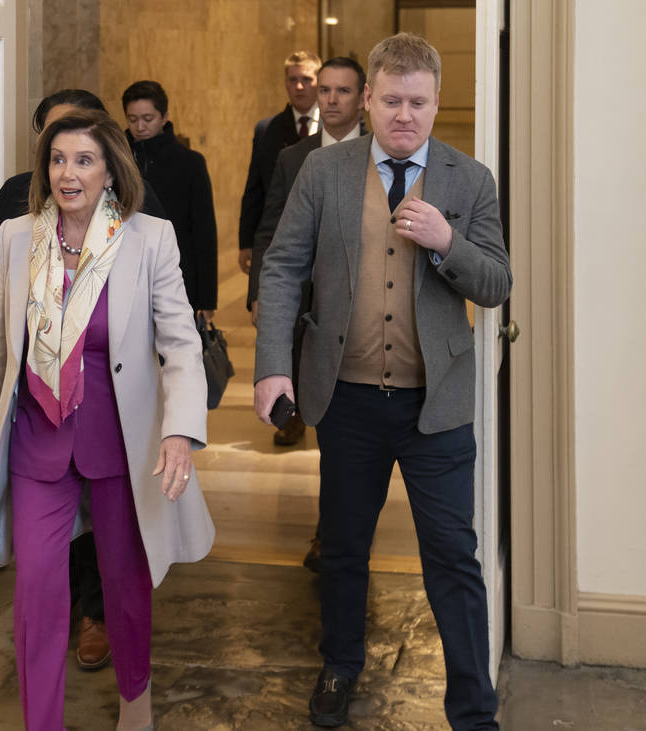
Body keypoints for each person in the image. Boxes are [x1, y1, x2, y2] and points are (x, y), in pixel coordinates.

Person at [253, 33, 511, 729]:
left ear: (435, 104)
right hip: (349, 401)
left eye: (418, 102)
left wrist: (447, 242)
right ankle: (340, 666)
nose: (404, 114)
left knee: (454, 558)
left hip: (438, 407)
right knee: (341, 546)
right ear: (367, 100)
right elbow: (280, 267)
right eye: (391, 100)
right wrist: (273, 363)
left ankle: (473, 709)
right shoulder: (323, 173)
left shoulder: (469, 180)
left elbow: (496, 282)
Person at [0, 109, 215, 730]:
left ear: (109, 172)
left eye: (83, 160)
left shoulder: (148, 238)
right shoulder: (19, 238)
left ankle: (136, 703)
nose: (67, 173)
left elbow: (181, 344)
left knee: (125, 587)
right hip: (37, 446)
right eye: (57, 160)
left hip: (120, 446)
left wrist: (179, 431)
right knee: (37, 596)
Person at [248, 56, 368, 570]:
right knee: (321, 424)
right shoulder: (294, 158)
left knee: (345, 436)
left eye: (344, 90)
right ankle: (332, 532)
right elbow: (271, 230)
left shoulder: (381, 155)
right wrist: (261, 295)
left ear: (363, 97)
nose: (332, 99)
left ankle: (335, 533)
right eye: (326, 90)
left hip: (360, 317)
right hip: (306, 313)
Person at [123, 80, 217, 319]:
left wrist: (207, 298)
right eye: (132, 119)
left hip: (178, 271)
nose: (140, 127)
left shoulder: (190, 163)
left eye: (148, 118)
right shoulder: (118, 161)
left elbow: (204, 232)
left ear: (164, 117)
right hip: (128, 272)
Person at [237, 50, 321, 278]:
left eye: (307, 79)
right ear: (285, 83)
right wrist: (246, 242)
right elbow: (254, 189)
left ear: (319, 82)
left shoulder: (333, 127)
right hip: (278, 235)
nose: (299, 87)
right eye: (293, 80)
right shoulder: (267, 130)